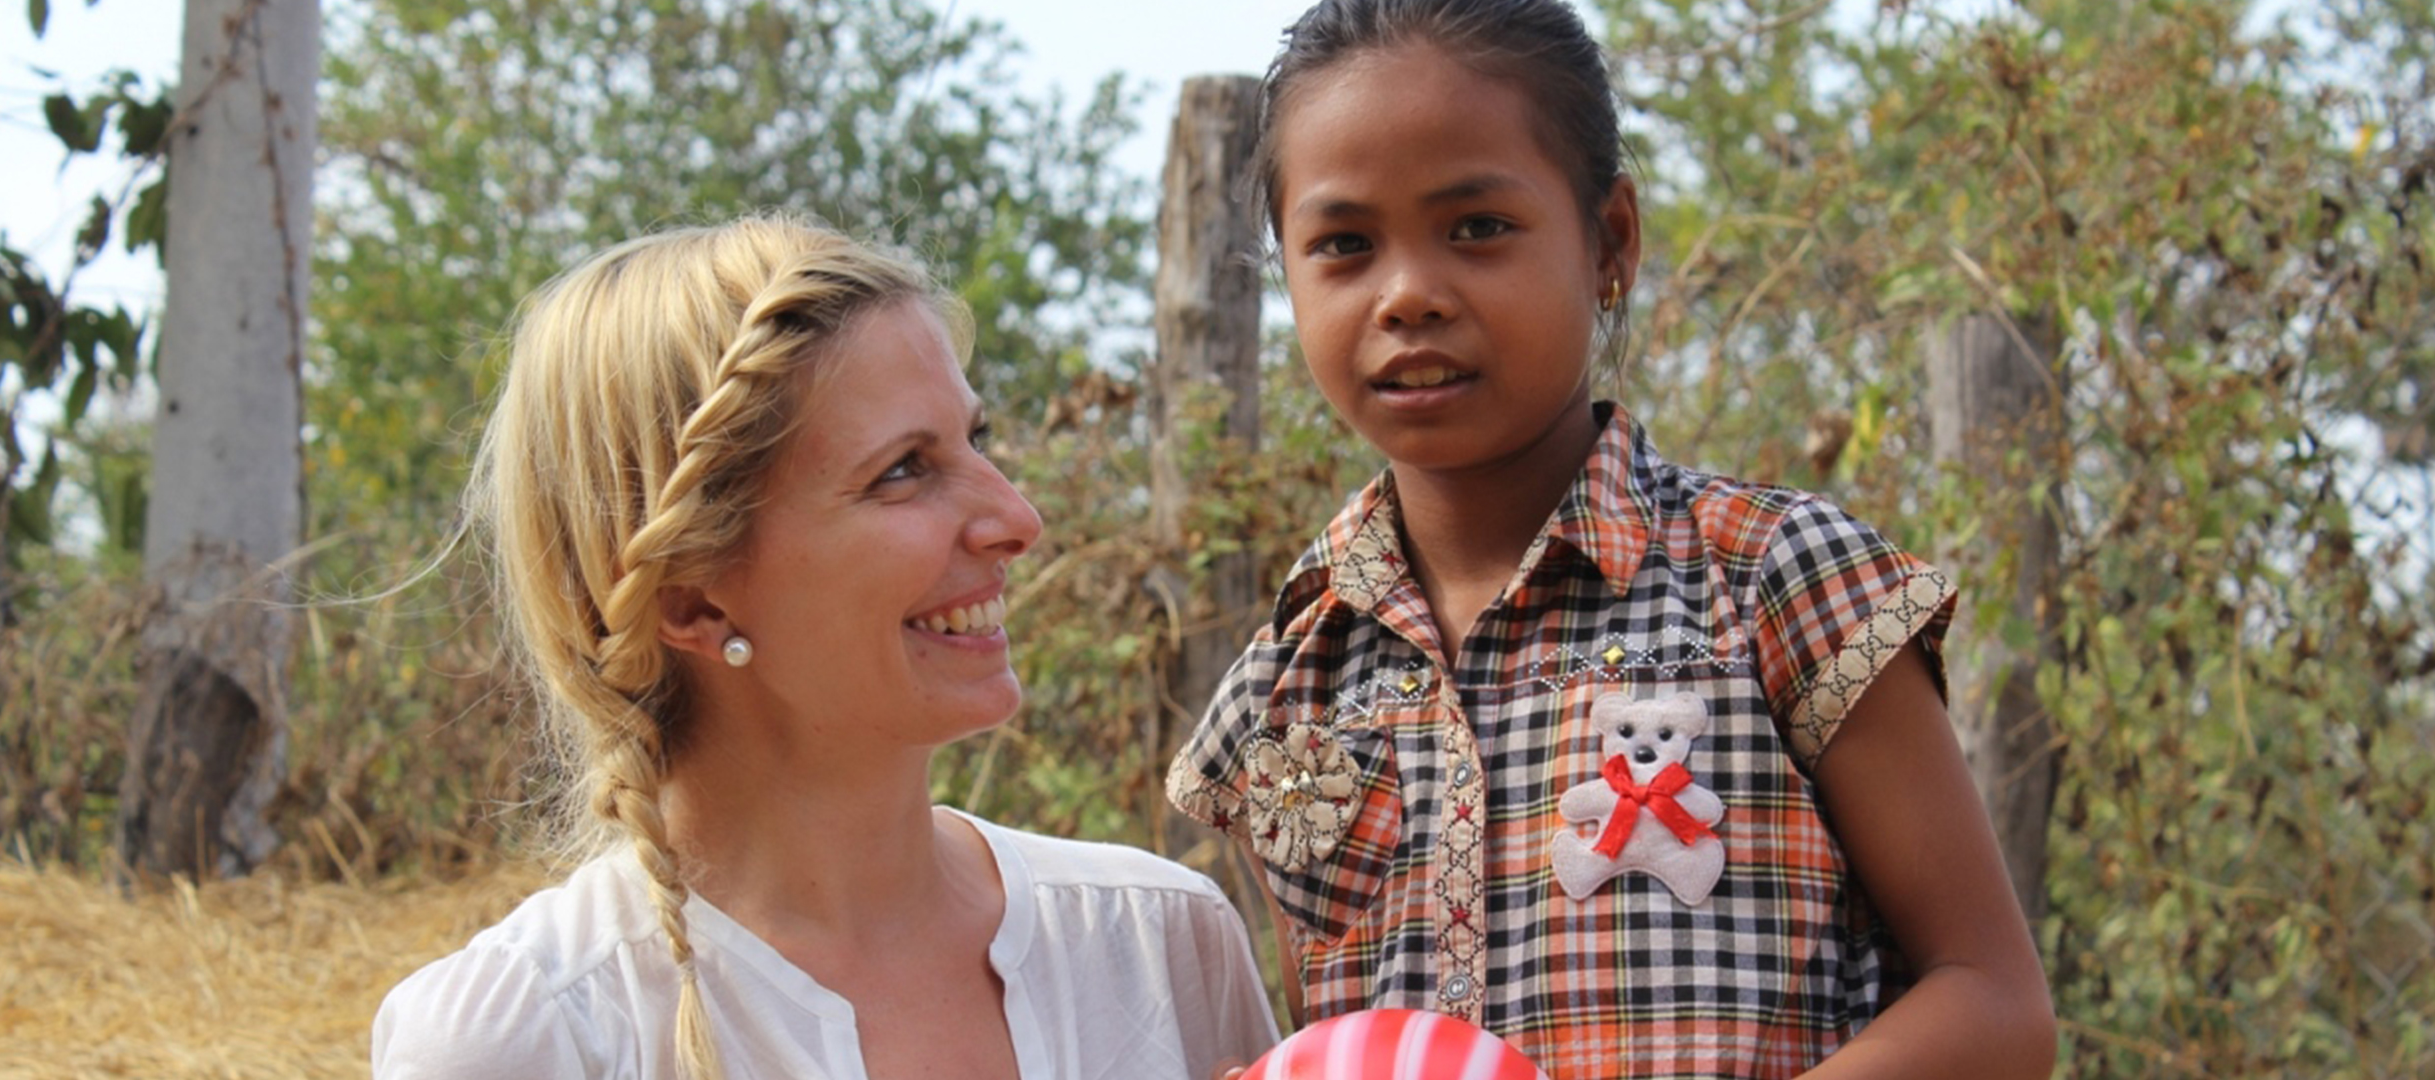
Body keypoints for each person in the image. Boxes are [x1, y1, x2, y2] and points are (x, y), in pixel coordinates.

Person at [1165, 2, 2057, 1077]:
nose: (1407, 295)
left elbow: (1996, 1002)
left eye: (1477, 227)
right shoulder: (1289, 680)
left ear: (1611, 243)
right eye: (1345, 245)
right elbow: (1332, 1042)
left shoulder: (1775, 581)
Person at [373, 216, 1277, 1080]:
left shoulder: (1156, 945)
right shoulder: (532, 1040)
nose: (1016, 519)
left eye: (976, 439)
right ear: (690, 598)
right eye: (902, 471)